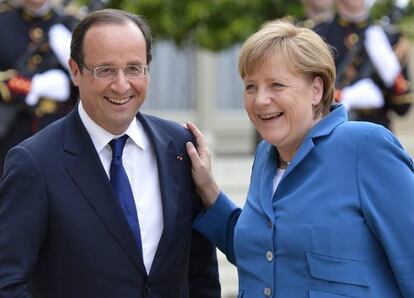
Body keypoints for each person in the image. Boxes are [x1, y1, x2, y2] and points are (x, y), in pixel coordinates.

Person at [0, 8, 220, 298]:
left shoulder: (180, 147)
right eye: (105, 70)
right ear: (75, 71)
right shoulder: (34, 162)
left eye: (133, 68)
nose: (121, 85)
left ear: (148, 70)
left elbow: (200, 272)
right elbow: (7, 282)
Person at [185, 20, 414, 297]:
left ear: (316, 90)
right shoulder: (266, 155)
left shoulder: (364, 147)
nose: (260, 100)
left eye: (276, 85)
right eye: (250, 87)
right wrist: (208, 190)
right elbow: (266, 254)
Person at [0, 0, 79, 176]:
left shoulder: (71, 24)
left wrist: (78, 64)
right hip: (12, 132)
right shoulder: (3, 22)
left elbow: (95, 77)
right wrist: (31, 86)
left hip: (62, 132)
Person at [315, 0, 412, 130]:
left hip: (378, 131)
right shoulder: (318, 34)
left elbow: (403, 108)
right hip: (331, 130)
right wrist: (341, 96)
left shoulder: (391, 37)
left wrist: (393, 76)